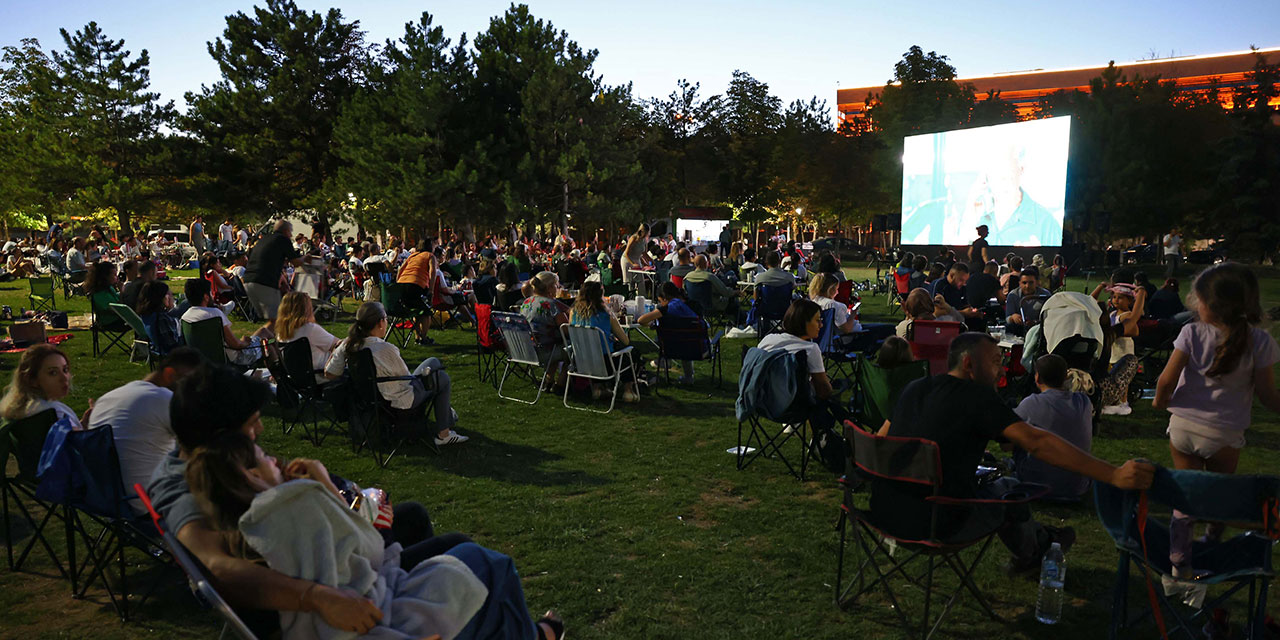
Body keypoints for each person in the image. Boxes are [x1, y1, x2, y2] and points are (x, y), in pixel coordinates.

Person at [149, 364, 487, 638]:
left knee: (412, 517)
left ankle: (436, 610)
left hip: (324, 565)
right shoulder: (182, 492)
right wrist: (317, 597)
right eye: (251, 425)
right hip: (316, 595)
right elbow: (218, 567)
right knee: (461, 550)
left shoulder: (196, 462)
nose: (261, 431)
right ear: (221, 436)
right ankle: (432, 611)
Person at [875, 333, 1155, 571]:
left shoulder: (914, 387)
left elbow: (880, 439)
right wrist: (1114, 474)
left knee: (991, 482)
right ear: (969, 364)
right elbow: (1035, 442)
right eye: (996, 362)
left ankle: (1043, 538)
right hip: (937, 524)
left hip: (885, 513)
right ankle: (1037, 550)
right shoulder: (978, 397)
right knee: (1008, 489)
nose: (1001, 370)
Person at [1153, 263, 1280, 579]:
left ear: (1208, 304)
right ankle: (1210, 542)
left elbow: (1165, 382)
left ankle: (1179, 560)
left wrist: (1159, 403)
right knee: (1218, 498)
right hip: (1224, 434)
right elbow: (1267, 395)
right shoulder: (1260, 341)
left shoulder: (1190, 332)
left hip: (1183, 427)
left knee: (1186, 497)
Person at [325, 302, 466, 446]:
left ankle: (447, 413)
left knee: (433, 362)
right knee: (441, 377)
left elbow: (329, 373)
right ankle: (444, 433)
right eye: (386, 318)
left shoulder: (348, 345)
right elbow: (406, 380)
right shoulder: (385, 349)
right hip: (398, 400)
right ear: (380, 322)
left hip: (370, 398)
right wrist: (424, 377)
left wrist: (336, 351)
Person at [87, 348, 203, 514]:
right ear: (170, 374)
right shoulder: (162, 398)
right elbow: (205, 443)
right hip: (149, 503)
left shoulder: (109, 397)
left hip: (110, 501)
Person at [1013, 354, 1094, 500]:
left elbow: (1007, 440)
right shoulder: (1083, 402)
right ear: (1065, 378)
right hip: (1077, 486)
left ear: (1037, 378)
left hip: (1036, 484)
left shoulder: (1031, 403)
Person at [568, 281, 639, 401]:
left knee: (598, 351)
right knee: (631, 353)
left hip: (580, 361)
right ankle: (628, 390)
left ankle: (598, 388)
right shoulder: (607, 315)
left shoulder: (573, 312)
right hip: (605, 363)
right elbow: (625, 341)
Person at [181, 277, 271, 366]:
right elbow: (235, 345)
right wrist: (245, 342)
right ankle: (278, 375)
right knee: (266, 338)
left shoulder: (185, 318)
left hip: (204, 363)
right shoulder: (215, 315)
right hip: (234, 359)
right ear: (206, 297)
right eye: (210, 293)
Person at [0, 344, 91, 428]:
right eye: (53, 373)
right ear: (32, 380)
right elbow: (76, 444)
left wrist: (82, 425)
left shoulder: (22, 410)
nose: (64, 378)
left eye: (65, 370)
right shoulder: (53, 415)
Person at [1090, 280, 1146, 415]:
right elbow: (1090, 302)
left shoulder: (1126, 315)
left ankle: (1122, 402)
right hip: (1112, 351)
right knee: (1111, 375)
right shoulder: (1112, 315)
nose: (1116, 300)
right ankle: (1113, 400)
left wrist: (1140, 296)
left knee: (1121, 377)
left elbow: (1134, 320)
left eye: (1120, 297)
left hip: (1122, 351)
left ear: (1129, 301)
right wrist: (1099, 287)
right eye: (1114, 297)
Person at [637, 282, 703, 385]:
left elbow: (641, 320)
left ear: (664, 299)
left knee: (665, 337)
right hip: (700, 347)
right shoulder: (695, 306)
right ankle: (688, 377)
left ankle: (664, 361)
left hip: (672, 350)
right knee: (685, 339)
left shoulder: (666, 309)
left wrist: (652, 325)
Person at [243, 220, 304, 332]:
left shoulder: (264, 239)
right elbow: (295, 262)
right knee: (276, 321)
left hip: (248, 281)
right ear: (285, 231)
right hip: (264, 282)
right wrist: (306, 258)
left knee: (273, 321)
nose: (291, 235)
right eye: (290, 232)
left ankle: (265, 345)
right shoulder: (283, 240)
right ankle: (256, 343)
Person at [519, 272, 570, 389]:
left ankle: (548, 380)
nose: (558, 288)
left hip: (527, 349)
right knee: (576, 346)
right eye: (556, 285)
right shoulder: (551, 305)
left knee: (554, 341)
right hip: (544, 352)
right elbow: (567, 330)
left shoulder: (527, 302)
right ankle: (561, 383)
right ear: (549, 288)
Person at [276, 292, 340, 384]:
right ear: (305, 309)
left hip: (299, 380)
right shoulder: (309, 329)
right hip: (323, 375)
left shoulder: (280, 334)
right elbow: (338, 344)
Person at [684, 254, 739, 318]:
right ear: (705, 263)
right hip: (712, 306)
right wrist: (735, 292)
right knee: (734, 302)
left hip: (694, 307)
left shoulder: (687, 277)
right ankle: (738, 322)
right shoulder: (709, 277)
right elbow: (725, 292)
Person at [136, 281, 184, 355]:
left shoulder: (147, 314)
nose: (172, 298)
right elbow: (172, 344)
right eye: (170, 295)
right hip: (174, 354)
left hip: (160, 350)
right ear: (164, 298)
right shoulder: (162, 318)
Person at [84, 261, 128, 329]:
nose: (116, 277)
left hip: (118, 318)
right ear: (105, 277)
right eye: (114, 275)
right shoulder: (99, 294)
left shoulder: (109, 288)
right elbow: (117, 310)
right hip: (111, 322)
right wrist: (121, 292)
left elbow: (117, 299)